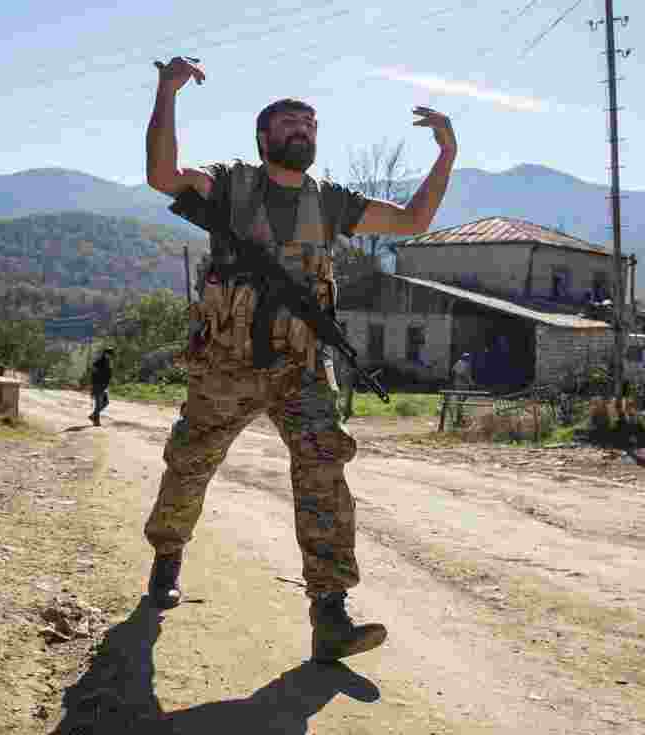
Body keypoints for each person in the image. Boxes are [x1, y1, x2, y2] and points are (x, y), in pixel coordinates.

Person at [143, 56, 457, 663]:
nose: (302, 131)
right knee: (189, 464)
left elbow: (414, 220)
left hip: (303, 367)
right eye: (290, 123)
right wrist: (167, 91)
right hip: (227, 363)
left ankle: (330, 612)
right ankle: (167, 554)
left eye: (310, 124)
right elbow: (162, 175)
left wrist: (445, 155)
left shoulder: (332, 202)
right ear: (264, 137)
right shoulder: (232, 183)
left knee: (324, 477)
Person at [89, 348, 114, 427]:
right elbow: (93, 373)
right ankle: (96, 421)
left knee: (106, 402)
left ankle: (93, 415)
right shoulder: (98, 362)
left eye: (110, 355)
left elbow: (108, 374)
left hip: (104, 386)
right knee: (98, 404)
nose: (110, 356)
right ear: (105, 354)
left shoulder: (108, 362)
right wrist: (93, 385)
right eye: (109, 354)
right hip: (98, 385)